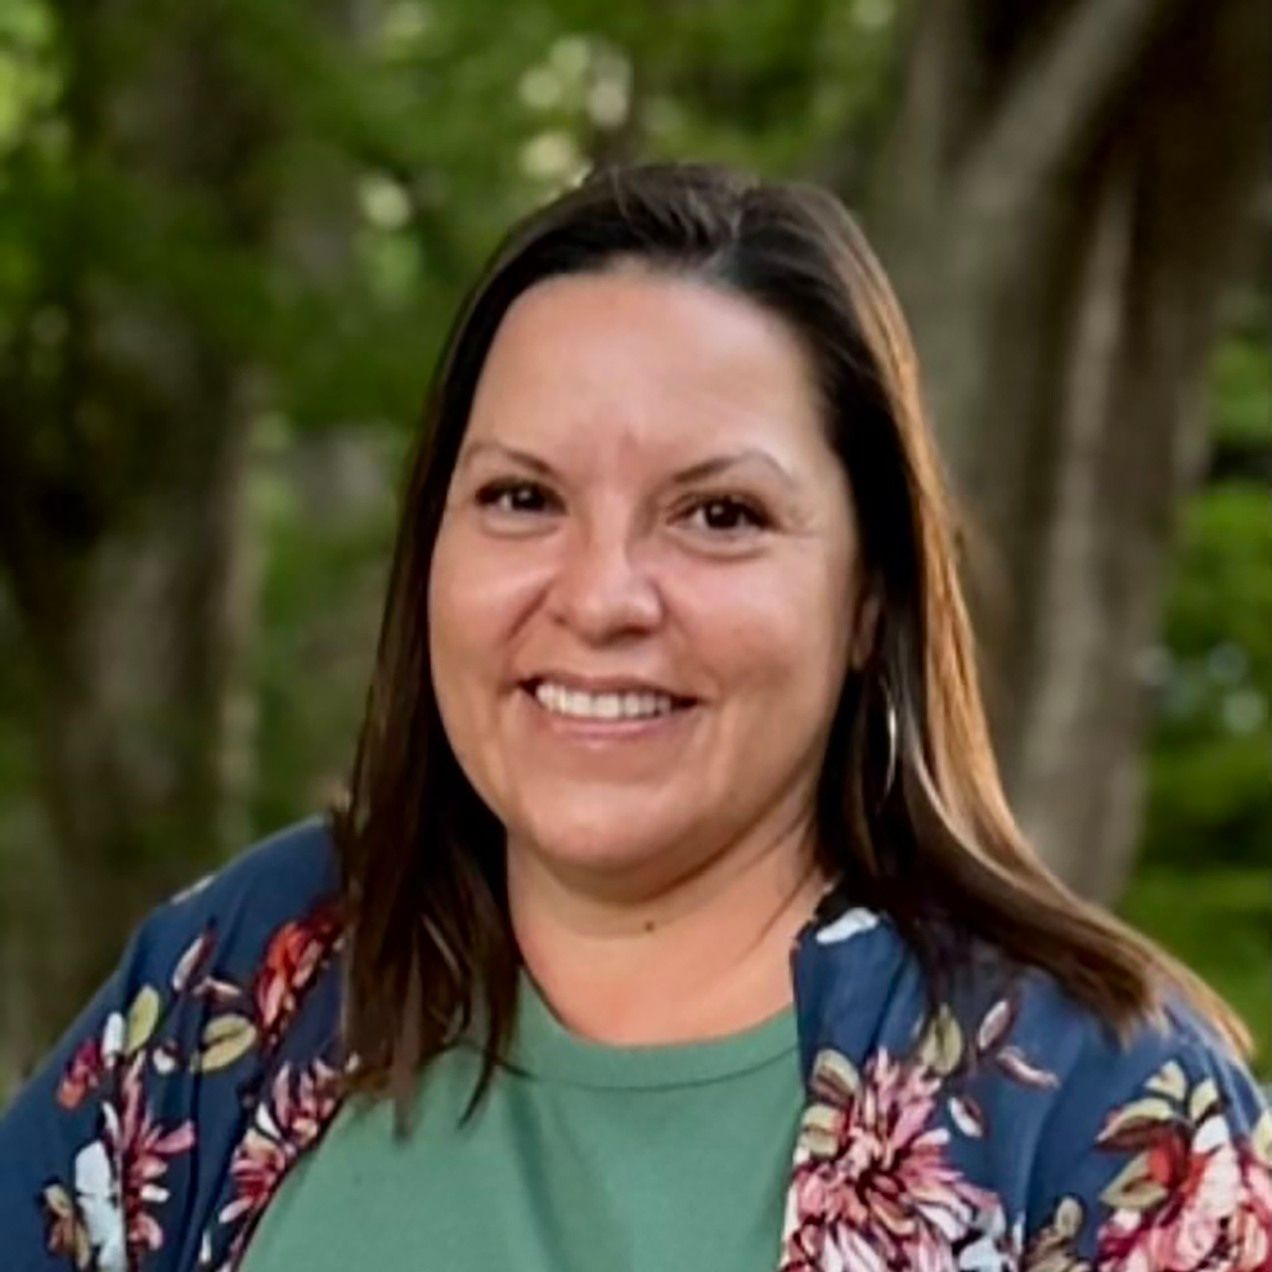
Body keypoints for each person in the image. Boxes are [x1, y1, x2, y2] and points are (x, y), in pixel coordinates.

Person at [1, 160, 1268, 1272]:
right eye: (520, 498)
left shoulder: (1098, 1113)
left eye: (718, 515)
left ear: (870, 599)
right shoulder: (241, 983)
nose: (602, 596)